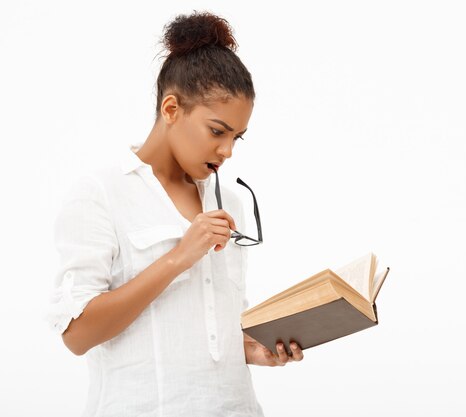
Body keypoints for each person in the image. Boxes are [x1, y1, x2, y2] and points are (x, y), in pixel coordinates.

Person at [44, 11, 302, 416]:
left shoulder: (228, 202)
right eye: (217, 131)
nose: (227, 151)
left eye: (237, 137)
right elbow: (76, 335)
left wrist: (254, 350)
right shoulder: (101, 193)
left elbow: (210, 330)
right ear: (170, 109)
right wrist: (180, 256)